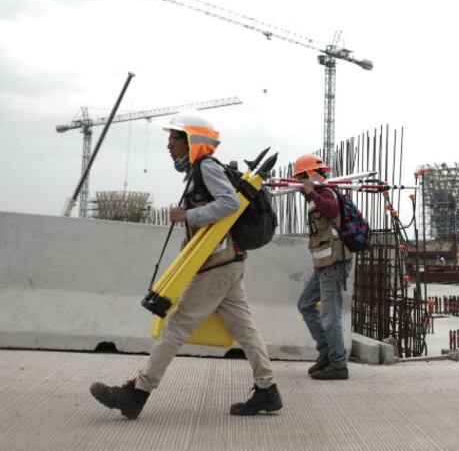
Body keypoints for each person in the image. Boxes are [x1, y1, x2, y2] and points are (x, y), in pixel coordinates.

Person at [90, 113, 282, 419]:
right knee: (245, 329)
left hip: (217, 266)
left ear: (192, 140)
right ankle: (267, 391)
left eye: (174, 139)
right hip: (228, 262)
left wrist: (188, 216)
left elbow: (230, 203)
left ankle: (137, 392)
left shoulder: (206, 167)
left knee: (177, 325)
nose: (169, 146)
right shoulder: (200, 170)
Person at [294, 153, 352, 381]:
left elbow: (332, 211)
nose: (298, 183)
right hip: (324, 264)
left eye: (301, 177)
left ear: (310, 175)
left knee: (330, 315)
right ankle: (327, 353)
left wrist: (311, 192)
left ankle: (338, 364)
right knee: (306, 304)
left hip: (334, 264)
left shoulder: (326, 194)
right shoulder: (315, 197)